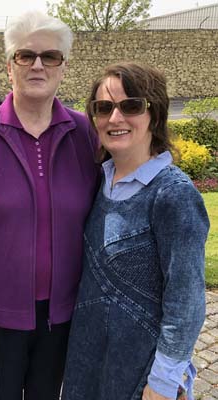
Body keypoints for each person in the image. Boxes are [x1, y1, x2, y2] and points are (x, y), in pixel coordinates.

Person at [0, 11, 100, 400]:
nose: (37, 65)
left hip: (65, 307)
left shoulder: (84, 132)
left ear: (63, 66)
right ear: (9, 65)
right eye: (25, 55)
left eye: (50, 56)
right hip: (1, 307)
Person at [61, 62, 209, 400]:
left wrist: (163, 382)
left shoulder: (172, 195)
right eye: (103, 108)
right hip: (89, 357)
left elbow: (186, 299)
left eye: (131, 106)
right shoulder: (98, 181)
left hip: (140, 370)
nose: (115, 118)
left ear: (154, 114)